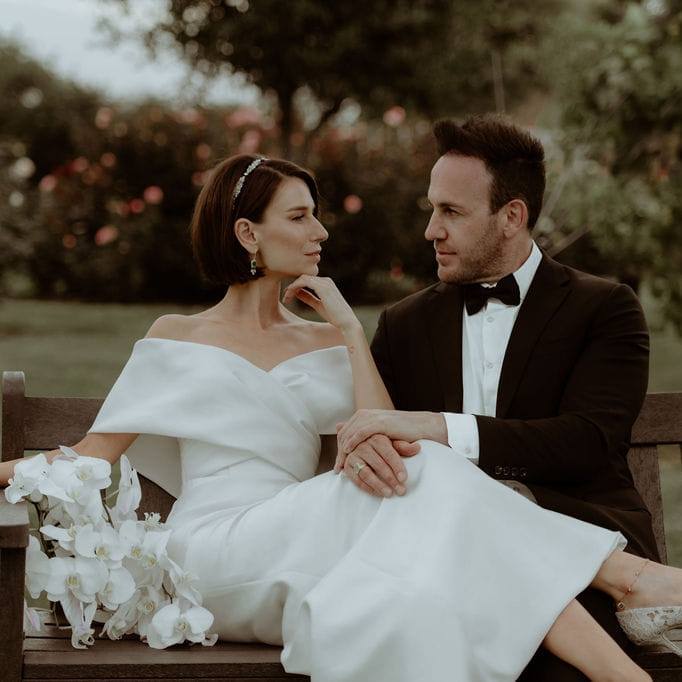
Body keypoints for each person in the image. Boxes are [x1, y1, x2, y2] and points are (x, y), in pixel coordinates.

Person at [3, 152, 680, 682]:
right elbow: (89, 458)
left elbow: (385, 448)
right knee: (431, 475)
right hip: (210, 553)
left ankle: (623, 673)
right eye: (300, 217)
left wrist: (352, 333)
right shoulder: (176, 335)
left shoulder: (328, 342)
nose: (320, 231)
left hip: (307, 540)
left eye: (316, 215)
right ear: (248, 233)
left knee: (430, 517)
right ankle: (628, 581)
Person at [332, 114, 682, 680]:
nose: (431, 230)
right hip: (445, 555)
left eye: (451, 211)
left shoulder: (604, 308)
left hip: (587, 540)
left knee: (534, 642)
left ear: (512, 216)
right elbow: (385, 452)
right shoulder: (404, 325)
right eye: (431, 209)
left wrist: (441, 427)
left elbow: (585, 443)